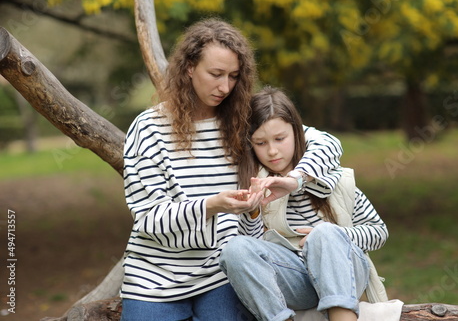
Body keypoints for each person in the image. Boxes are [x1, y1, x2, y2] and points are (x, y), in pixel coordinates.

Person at [119, 19, 344, 321]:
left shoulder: (242, 120)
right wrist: (211, 206)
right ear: (188, 68)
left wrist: (294, 180)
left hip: (222, 274)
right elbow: (148, 219)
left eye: (233, 76)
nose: (225, 87)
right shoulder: (148, 129)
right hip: (156, 278)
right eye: (215, 74)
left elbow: (326, 143)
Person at [219, 86, 389, 321]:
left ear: (298, 133)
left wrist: (336, 235)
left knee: (325, 234)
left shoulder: (334, 181)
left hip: (344, 271)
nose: (272, 151)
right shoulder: (255, 183)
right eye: (260, 143)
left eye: (280, 138)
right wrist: (253, 212)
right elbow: (255, 254)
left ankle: (341, 316)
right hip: (295, 279)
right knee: (235, 249)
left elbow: (379, 232)